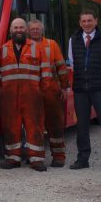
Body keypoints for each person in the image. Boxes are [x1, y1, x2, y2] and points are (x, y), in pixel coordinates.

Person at [67, 9, 101, 174]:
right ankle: (83, 159)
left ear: (96, 21)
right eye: (83, 21)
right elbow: (73, 62)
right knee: (82, 125)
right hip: (81, 90)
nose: (86, 24)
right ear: (80, 23)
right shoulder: (74, 39)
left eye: (89, 20)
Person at [0, 18, 47, 171]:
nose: (18, 30)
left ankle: (36, 159)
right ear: (11, 30)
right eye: (15, 27)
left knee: (35, 126)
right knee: (11, 127)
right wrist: (1, 92)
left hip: (32, 96)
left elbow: (45, 72)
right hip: (9, 96)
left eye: (21, 27)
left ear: (26, 30)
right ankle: (13, 158)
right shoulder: (3, 49)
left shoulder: (37, 48)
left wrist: (41, 92)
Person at [28, 19, 70, 167]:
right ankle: (36, 158)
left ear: (42, 30)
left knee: (55, 124)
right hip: (32, 91)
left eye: (37, 29)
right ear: (28, 31)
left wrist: (65, 88)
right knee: (35, 126)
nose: (35, 31)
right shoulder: (25, 46)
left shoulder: (52, 45)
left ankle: (59, 156)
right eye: (32, 29)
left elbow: (61, 66)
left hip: (51, 90)